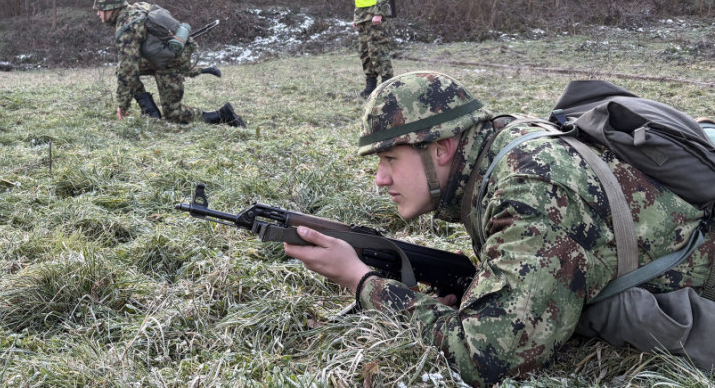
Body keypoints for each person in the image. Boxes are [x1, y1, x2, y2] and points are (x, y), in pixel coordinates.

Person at [285, 71, 715, 386]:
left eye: (390, 159)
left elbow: (487, 357)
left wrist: (362, 282)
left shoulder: (531, 192)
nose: (380, 178)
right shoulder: (502, 147)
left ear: (442, 148)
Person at [92, 0, 244, 127]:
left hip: (171, 62)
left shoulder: (127, 27)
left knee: (173, 114)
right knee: (123, 71)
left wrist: (122, 105)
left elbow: (128, 69)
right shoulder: (139, 7)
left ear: (111, 9)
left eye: (99, 10)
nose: (98, 14)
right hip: (168, 56)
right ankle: (151, 113)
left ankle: (224, 115)